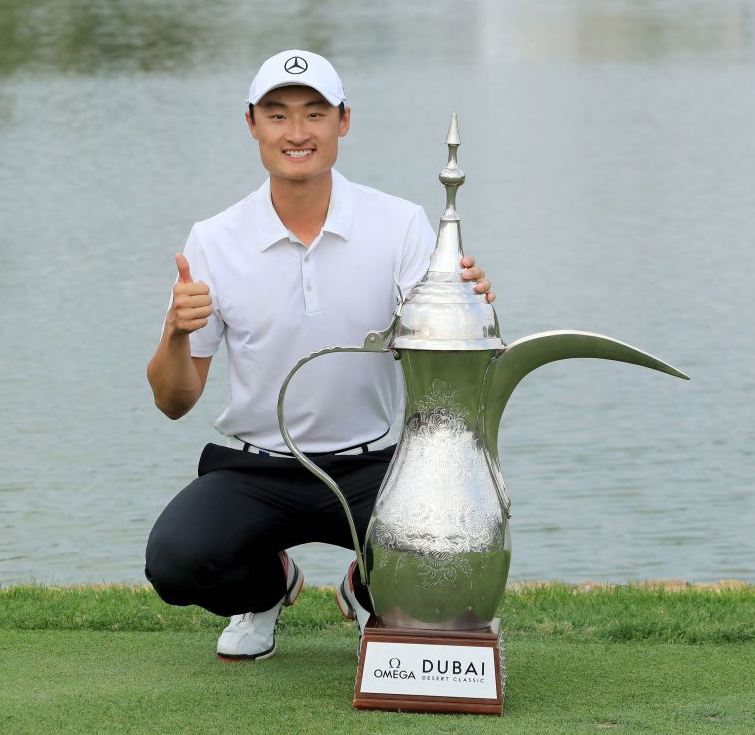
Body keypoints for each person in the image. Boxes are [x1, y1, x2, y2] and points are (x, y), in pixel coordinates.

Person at [144, 49, 494, 661]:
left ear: (344, 121)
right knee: (175, 563)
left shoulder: (401, 225)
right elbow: (174, 402)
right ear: (251, 123)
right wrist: (175, 333)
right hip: (254, 471)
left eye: (315, 113)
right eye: (277, 115)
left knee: (447, 558)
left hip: (374, 466)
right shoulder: (215, 238)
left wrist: (467, 307)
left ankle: (366, 588)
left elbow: (444, 357)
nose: (297, 132)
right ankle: (271, 586)